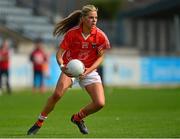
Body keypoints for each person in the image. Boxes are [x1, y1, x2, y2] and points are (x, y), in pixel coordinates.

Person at [27, 4, 110, 135]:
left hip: (88, 70)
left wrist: (88, 71)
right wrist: (62, 66)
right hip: (70, 69)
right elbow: (59, 54)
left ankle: (78, 118)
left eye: (96, 18)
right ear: (83, 18)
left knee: (100, 103)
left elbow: (100, 58)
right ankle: (39, 122)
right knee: (57, 95)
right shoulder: (72, 34)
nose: (94, 20)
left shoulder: (100, 36)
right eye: (91, 18)